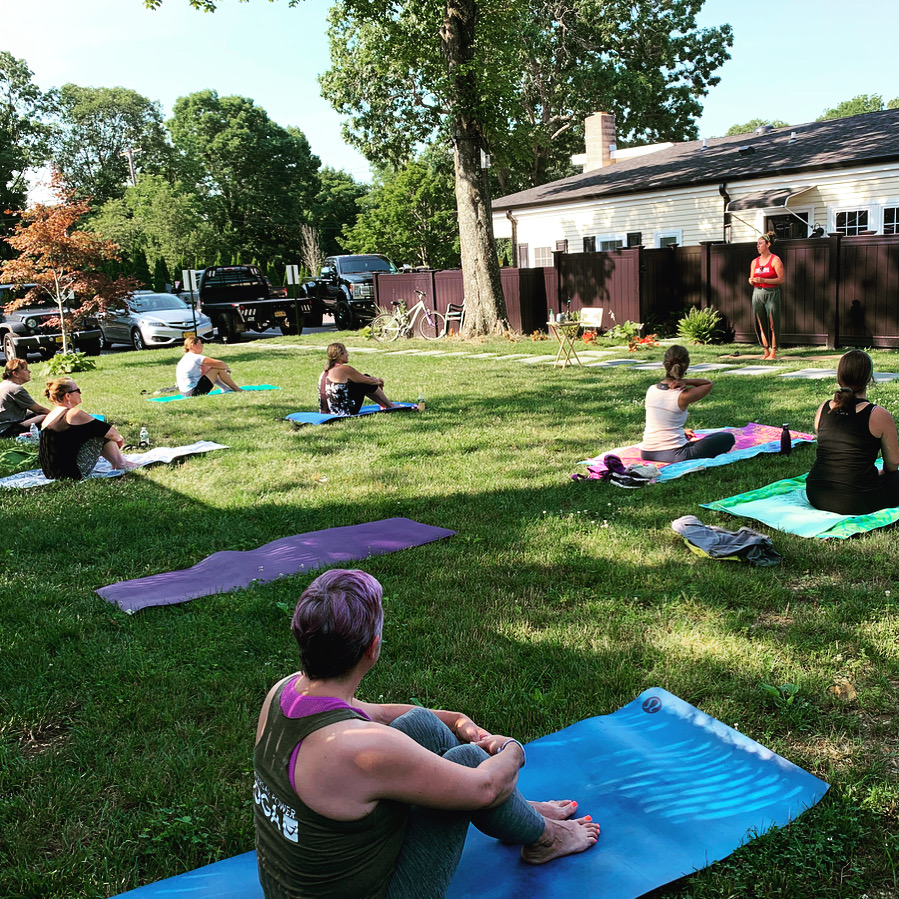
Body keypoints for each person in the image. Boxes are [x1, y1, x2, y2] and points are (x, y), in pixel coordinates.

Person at [254, 569, 599, 899]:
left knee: (421, 724)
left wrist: (457, 719)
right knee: (470, 760)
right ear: (372, 648)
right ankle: (546, 838)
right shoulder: (363, 750)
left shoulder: (284, 692)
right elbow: (485, 787)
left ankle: (517, 812)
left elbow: (378, 712)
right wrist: (512, 749)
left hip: (289, 889)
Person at [806, 350, 899, 515]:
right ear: (869, 379)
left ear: (839, 376)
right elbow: (892, 465)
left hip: (816, 494)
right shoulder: (879, 415)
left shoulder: (824, 409)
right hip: (858, 500)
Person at [639, 344, 736, 463]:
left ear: (665, 364)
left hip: (646, 452)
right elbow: (708, 384)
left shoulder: (651, 389)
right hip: (675, 454)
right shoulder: (683, 395)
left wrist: (682, 432)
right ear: (686, 365)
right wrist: (686, 381)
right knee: (727, 438)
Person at [38, 377, 137, 480]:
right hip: (70, 474)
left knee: (92, 430)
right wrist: (119, 439)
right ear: (67, 396)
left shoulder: (50, 416)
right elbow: (111, 433)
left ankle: (119, 462)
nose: (80, 393)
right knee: (99, 432)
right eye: (78, 390)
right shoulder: (73, 414)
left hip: (50, 473)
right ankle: (121, 463)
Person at [319, 342, 399, 415]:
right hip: (343, 412)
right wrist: (378, 381)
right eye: (346, 352)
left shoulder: (326, 370)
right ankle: (389, 405)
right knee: (366, 382)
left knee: (360, 383)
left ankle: (384, 404)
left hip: (325, 412)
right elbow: (367, 380)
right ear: (340, 356)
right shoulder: (344, 369)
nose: (348, 355)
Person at [748, 232, 785, 360]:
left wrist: (764, 281)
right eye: (757, 244)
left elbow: (781, 280)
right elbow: (751, 278)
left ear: (768, 245)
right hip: (757, 294)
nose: (757, 246)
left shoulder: (775, 260)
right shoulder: (754, 262)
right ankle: (765, 351)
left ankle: (774, 352)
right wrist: (751, 281)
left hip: (772, 294)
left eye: (760, 243)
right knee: (760, 322)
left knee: (773, 323)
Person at [176, 336, 243, 396]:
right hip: (194, 391)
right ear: (193, 345)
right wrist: (227, 369)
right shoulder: (196, 358)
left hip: (185, 393)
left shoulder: (186, 357)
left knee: (210, 368)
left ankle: (225, 388)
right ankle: (236, 389)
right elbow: (221, 364)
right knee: (216, 368)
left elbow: (206, 371)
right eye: (200, 344)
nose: (202, 346)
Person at [0, 359, 50, 437]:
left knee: (33, 414)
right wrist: (59, 416)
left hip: (3, 424)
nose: (29, 371)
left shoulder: (4, 384)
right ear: (15, 374)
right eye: (25, 369)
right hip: (6, 430)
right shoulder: (15, 389)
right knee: (46, 417)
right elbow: (40, 409)